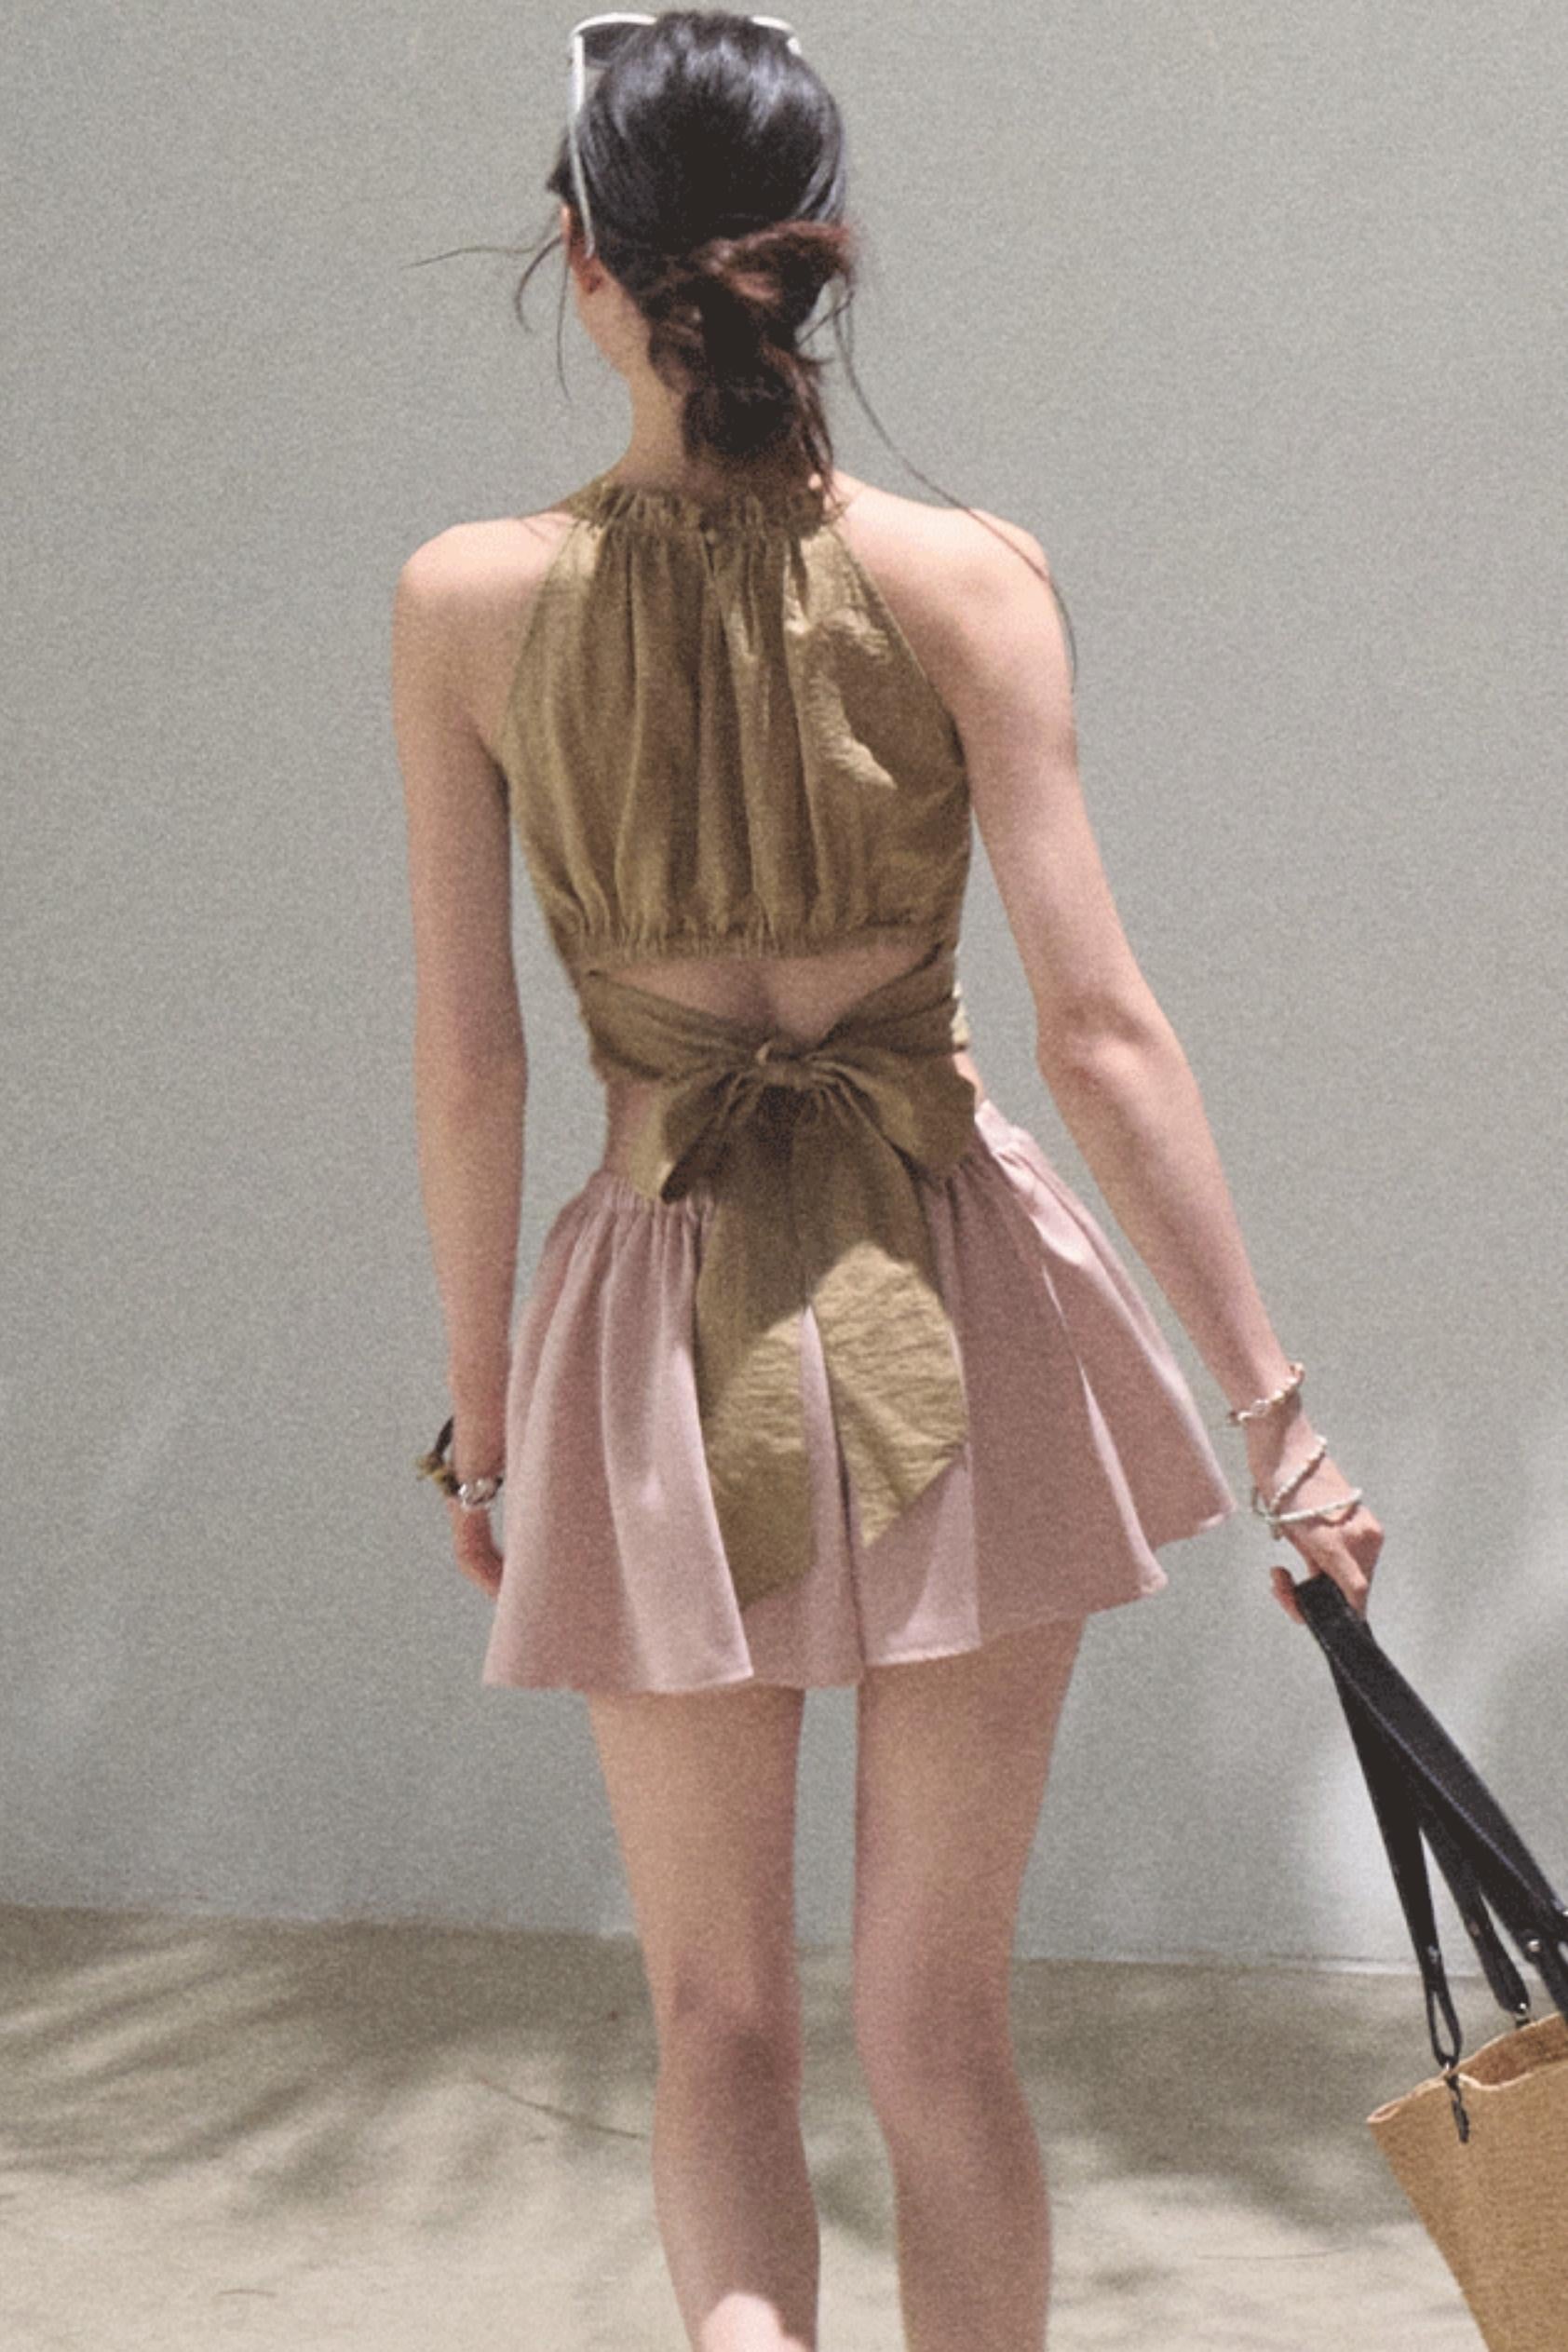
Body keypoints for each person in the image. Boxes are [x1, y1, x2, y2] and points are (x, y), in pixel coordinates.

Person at [393, 14, 1385, 2347]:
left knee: (714, 2024)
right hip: (962, 1291)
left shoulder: (463, 603)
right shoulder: (969, 575)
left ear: (580, 260)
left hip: (651, 1323)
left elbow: (471, 1062)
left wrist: (487, 1422)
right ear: (819, 255)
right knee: (939, 2031)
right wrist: (1273, 1420)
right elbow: (1098, 1029)